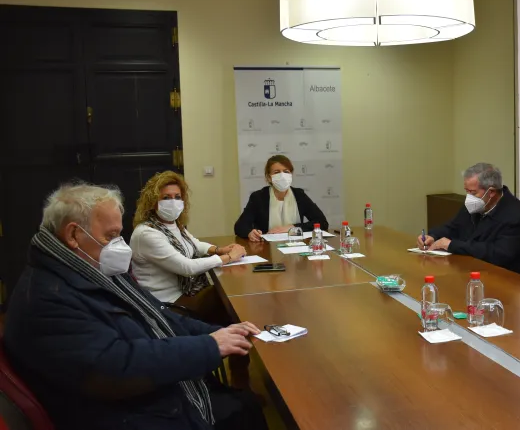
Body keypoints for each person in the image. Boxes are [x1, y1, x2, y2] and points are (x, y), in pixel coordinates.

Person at [3, 183, 268, 429]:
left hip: (143, 398)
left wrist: (219, 333)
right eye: (111, 235)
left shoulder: (92, 269)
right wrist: (209, 346)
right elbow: (114, 368)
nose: (119, 245)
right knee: (244, 412)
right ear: (73, 234)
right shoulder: (48, 298)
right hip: (125, 414)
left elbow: (158, 316)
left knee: (245, 406)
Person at [130, 171, 246, 314]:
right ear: (153, 202)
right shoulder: (146, 233)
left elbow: (193, 244)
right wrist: (228, 257)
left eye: (177, 197)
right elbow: (187, 267)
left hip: (186, 292)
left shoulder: (173, 225)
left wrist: (218, 250)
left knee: (227, 292)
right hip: (168, 304)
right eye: (166, 197)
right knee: (227, 296)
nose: (173, 202)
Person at [418, 163, 520, 276]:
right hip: (473, 271)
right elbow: (453, 227)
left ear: (491, 192)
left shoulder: (516, 214)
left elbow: (498, 253)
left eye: (472, 192)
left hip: (508, 278)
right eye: (466, 191)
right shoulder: (475, 205)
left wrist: (452, 245)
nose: (469, 197)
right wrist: (433, 236)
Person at [234, 155, 329, 241]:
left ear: (291, 175)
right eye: (277, 172)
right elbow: (240, 226)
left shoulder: (299, 195)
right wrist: (250, 233)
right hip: (267, 247)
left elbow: (322, 222)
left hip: (296, 246)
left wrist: (292, 227)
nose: (282, 176)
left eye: (286, 171)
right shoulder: (259, 197)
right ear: (269, 177)